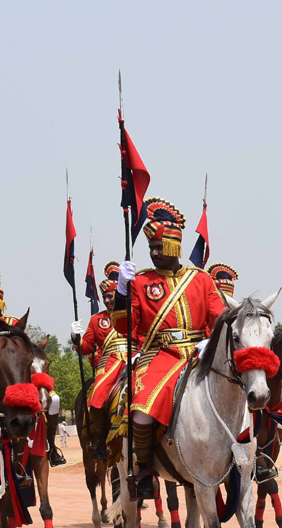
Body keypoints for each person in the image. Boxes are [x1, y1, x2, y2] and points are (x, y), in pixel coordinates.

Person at [113, 199, 224, 499]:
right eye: (151, 248)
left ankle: (248, 456)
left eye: (159, 246)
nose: (154, 252)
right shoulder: (142, 282)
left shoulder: (201, 279)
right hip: (160, 357)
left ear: (175, 245)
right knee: (141, 410)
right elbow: (125, 328)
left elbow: (219, 319)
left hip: (199, 354)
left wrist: (209, 341)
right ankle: (144, 467)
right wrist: (122, 293)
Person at [0, 268, 65, 466]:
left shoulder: (13, 323)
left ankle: (51, 446)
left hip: (16, 378)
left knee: (54, 399)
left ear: (2, 304)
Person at [72, 261, 125, 459]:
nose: (108, 300)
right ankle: (101, 440)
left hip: (133, 358)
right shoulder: (97, 319)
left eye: (111, 296)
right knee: (96, 398)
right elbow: (86, 347)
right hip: (109, 363)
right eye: (105, 297)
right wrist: (76, 338)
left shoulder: (130, 312)